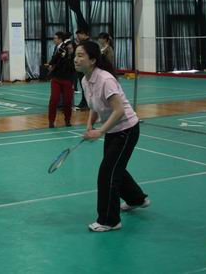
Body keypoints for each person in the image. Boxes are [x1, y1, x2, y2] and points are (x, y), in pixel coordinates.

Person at [75, 41, 149, 232]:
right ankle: (136, 199)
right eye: (76, 55)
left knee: (107, 174)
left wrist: (100, 131)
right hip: (113, 130)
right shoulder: (85, 80)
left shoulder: (105, 79)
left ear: (92, 60)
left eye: (81, 55)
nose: (76, 59)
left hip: (126, 130)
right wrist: (90, 124)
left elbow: (119, 110)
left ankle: (110, 220)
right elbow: (94, 106)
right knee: (115, 167)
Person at [47, 32, 75, 128]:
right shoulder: (59, 51)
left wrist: (67, 57)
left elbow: (71, 67)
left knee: (67, 101)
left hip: (68, 79)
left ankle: (67, 120)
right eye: (68, 47)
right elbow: (52, 61)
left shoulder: (74, 57)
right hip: (56, 78)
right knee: (54, 100)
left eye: (71, 47)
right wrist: (59, 54)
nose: (69, 48)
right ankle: (51, 121)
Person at [75, 28, 92, 110]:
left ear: (84, 34)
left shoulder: (88, 44)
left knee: (86, 87)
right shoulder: (82, 43)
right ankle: (85, 103)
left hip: (86, 68)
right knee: (83, 87)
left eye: (79, 35)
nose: (77, 37)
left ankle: (86, 103)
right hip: (81, 68)